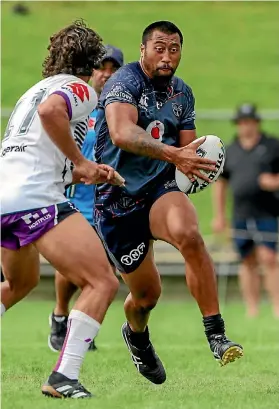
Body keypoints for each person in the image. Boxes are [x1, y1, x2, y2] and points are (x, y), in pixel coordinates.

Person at [94, 20, 244, 385]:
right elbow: (121, 132)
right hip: (117, 200)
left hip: (160, 188)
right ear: (143, 49)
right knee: (146, 296)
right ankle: (137, 336)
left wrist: (196, 166)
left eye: (174, 49)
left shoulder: (183, 94)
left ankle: (216, 333)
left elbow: (189, 151)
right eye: (159, 48)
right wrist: (176, 154)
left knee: (189, 234)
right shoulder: (124, 83)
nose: (167, 56)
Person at [0, 20, 125, 399]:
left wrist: (86, 171)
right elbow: (52, 113)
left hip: (7, 196)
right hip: (35, 197)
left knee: (19, 284)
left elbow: (40, 143)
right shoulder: (79, 88)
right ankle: (63, 376)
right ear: (93, 63)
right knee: (102, 281)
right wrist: (81, 163)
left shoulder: (33, 90)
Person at [48, 44, 124, 353]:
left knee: (104, 270)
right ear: (90, 71)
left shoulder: (122, 107)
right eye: (101, 68)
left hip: (111, 198)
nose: (106, 74)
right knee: (72, 268)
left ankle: (78, 327)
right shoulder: (78, 106)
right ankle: (60, 315)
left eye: (113, 69)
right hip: (79, 197)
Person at [212, 104, 279, 318]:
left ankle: (277, 307)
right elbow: (221, 184)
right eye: (241, 122)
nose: (245, 126)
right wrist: (220, 216)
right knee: (247, 259)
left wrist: (274, 182)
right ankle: (252, 309)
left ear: (256, 123)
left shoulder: (272, 146)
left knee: (269, 258)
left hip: (267, 212)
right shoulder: (230, 151)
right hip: (241, 214)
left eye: (249, 122)